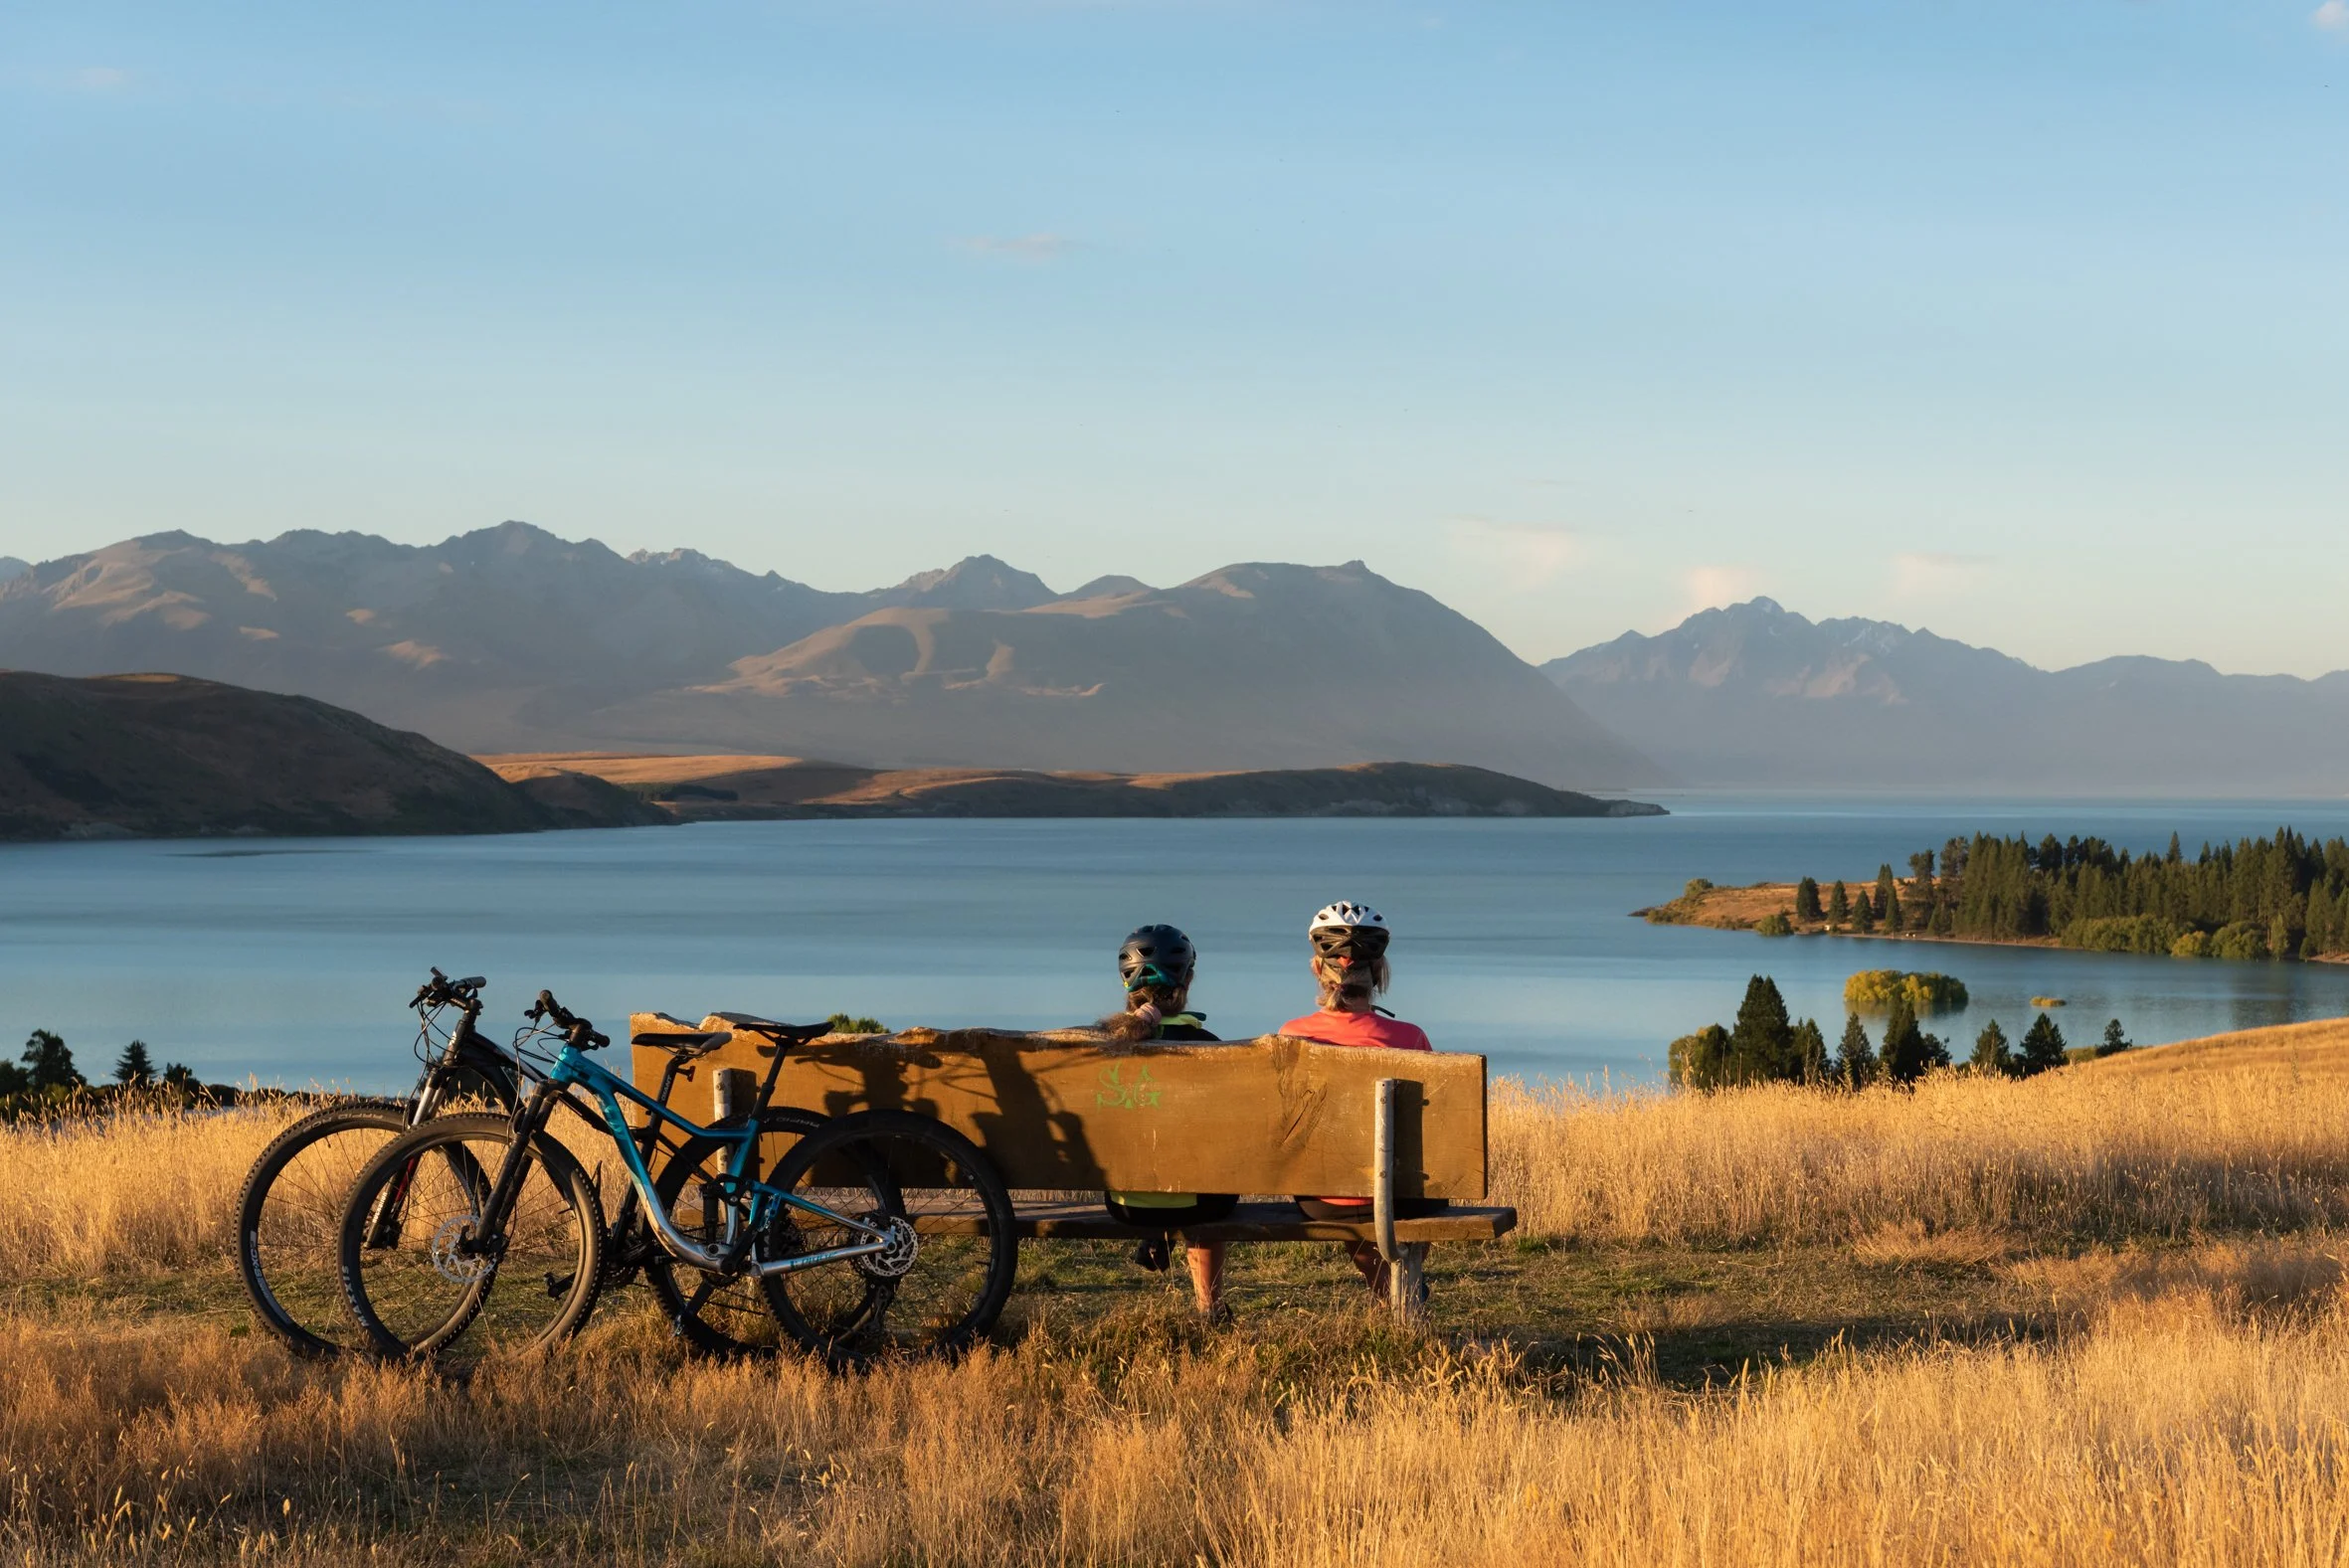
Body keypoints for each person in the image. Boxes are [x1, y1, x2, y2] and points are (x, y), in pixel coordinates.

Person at [1275, 901, 1442, 1301]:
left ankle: (1386, 1289)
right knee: (1404, 1192)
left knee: (1346, 1181)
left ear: (1318, 969)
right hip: (1400, 1195)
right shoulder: (1410, 1039)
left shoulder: (1291, 1035)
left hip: (1322, 1199)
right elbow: (1437, 1126)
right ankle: (1398, 1289)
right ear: (1379, 973)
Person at [1098, 924, 1238, 1319]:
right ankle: (1210, 1307)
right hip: (1200, 1203)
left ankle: (1155, 1236)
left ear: (1126, 984)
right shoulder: (1211, 1049)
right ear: (1188, 979)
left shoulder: (1106, 1051)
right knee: (1207, 1177)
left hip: (1127, 1204)